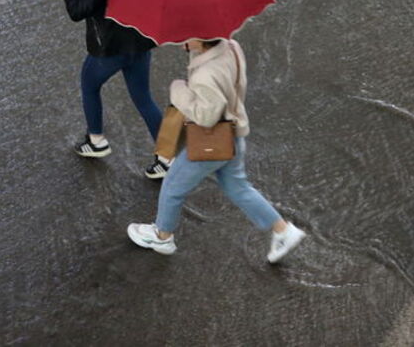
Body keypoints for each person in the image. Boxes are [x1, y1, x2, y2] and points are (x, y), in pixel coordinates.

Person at [127, 38, 306, 263]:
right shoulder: (231, 47)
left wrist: (179, 91)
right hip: (234, 133)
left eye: (186, 34)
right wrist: (192, 55)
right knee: (238, 187)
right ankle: (283, 230)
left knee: (173, 184)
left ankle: (162, 236)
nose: (179, 38)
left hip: (212, 141)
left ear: (201, 39)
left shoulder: (205, 76)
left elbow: (206, 116)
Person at [59, 0, 172, 178]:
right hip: (140, 44)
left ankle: (96, 140)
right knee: (143, 98)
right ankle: (166, 158)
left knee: (89, 85)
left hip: (111, 49)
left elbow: (77, 11)